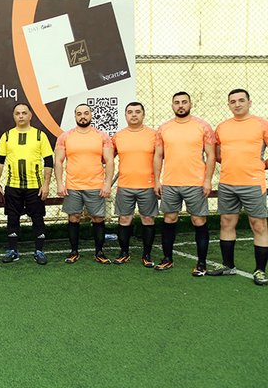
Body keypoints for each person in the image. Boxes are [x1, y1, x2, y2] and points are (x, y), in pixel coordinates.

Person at [153, 92, 215, 274]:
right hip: (170, 183)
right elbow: (158, 155)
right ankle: (167, 259)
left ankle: (201, 264)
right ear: (172, 105)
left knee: (198, 220)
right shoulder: (164, 128)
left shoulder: (203, 126)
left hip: (196, 183)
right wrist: (157, 180)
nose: (181, 105)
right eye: (177, 102)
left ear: (190, 104)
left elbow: (211, 155)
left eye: (184, 102)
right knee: (169, 219)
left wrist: (207, 180)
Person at [210, 89, 268, 284]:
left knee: (258, 225)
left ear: (249, 102)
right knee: (226, 223)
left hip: (253, 184)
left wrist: (262, 165)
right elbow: (218, 154)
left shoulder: (261, 124)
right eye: (233, 101)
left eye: (241, 100)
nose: (237, 104)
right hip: (227, 184)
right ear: (228, 105)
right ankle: (228, 266)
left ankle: (260, 271)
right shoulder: (222, 127)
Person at [0, 102, 53, 265]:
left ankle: (39, 251)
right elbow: (0, 161)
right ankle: (13, 251)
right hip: (13, 186)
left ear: (30, 115)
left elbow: (48, 161)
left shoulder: (40, 135)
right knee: (12, 218)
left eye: (24, 113)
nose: (21, 116)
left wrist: (46, 184)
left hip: (35, 186)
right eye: (17, 113)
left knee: (37, 218)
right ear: (13, 116)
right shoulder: (7, 136)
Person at [54, 103, 114, 264]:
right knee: (73, 218)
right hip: (73, 186)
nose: (83, 116)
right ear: (75, 116)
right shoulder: (65, 137)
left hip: (96, 186)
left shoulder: (102, 136)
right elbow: (58, 161)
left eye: (86, 113)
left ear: (91, 115)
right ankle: (74, 252)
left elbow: (109, 161)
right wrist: (60, 183)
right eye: (79, 114)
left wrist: (107, 184)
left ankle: (99, 252)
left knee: (98, 218)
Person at [111, 102, 159, 266]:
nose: (134, 115)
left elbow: (162, 158)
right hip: (125, 186)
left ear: (143, 115)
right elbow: (107, 158)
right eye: (130, 112)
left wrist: (158, 181)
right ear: (125, 115)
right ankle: (124, 253)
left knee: (148, 219)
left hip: (148, 185)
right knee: (124, 219)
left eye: (137, 112)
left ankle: (147, 255)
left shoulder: (154, 135)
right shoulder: (118, 136)